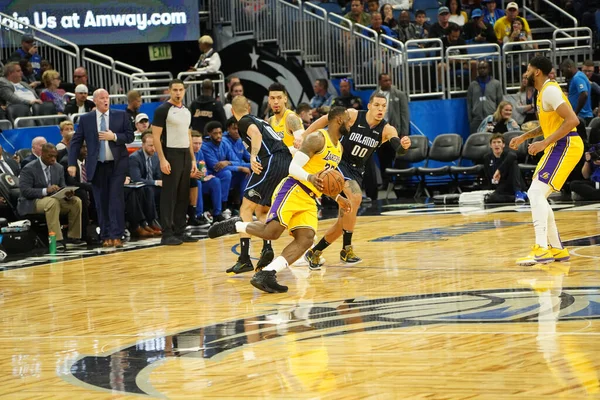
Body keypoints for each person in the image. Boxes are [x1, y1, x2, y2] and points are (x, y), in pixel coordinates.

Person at [208, 107, 352, 293]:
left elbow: (324, 182)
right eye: (348, 120)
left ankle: (267, 273)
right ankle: (237, 225)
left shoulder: (338, 148)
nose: (350, 123)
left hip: (310, 198)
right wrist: (310, 178)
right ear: (339, 120)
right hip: (293, 189)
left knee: (307, 239)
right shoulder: (317, 139)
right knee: (272, 232)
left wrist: (338, 198)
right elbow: (293, 168)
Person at [302, 92, 411, 268]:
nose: (380, 109)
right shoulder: (353, 115)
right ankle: (347, 249)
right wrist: (305, 134)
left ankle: (315, 252)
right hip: (338, 162)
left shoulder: (386, 129)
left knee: (343, 220)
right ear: (369, 105)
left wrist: (404, 146)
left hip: (357, 171)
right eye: (377, 105)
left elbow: (398, 147)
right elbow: (326, 118)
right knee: (356, 197)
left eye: (384, 106)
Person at [509, 55, 584, 266]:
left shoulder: (550, 90)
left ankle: (542, 249)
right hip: (558, 145)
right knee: (537, 194)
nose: (525, 73)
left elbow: (572, 120)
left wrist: (543, 143)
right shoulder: (543, 93)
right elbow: (550, 125)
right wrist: (524, 136)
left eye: (528, 69)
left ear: (537, 72)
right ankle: (557, 249)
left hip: (566, 145)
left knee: (535, 193)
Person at [224, 96, 294, 274]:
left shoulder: (244, 122)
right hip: (284, 161)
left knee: (245, 208)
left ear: (233, 112)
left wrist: (253, 156)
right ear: (248, 107)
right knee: (261, 210)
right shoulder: (260, 119)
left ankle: (245, 258)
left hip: (272, 161)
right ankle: (266, 249)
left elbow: (255, 134)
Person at [68, 88, 134, 249]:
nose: (106, 101)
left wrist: (115, 137)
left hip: (117, 165)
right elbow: (76, 141)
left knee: (115, 200)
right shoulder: (86, 119)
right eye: (102, 98)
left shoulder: (121, 115)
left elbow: (130, 136)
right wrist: (71, 163)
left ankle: (117, 235)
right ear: (95, 101)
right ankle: (105, 235)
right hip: (97, 165)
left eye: (107, 98)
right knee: (101, 202)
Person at [152, 79, 199, 245]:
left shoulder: (186, 111)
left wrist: (193, 159)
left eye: (181, 90)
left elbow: (188, 135)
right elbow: (155, 137)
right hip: (170, 153)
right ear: (170, 91)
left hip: (185, 154)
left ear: (184, 91)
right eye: (175, 90)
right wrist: (162, 159)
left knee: (183, 194)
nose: (178, 93)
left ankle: (180, 230)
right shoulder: (163, 110)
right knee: (169, 195)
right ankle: (167, 233)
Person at [18, 144, 86, 250]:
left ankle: (74, 238)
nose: (53, 159)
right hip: (33, 202)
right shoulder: (29, 168)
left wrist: (67, 193)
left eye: (55, 156)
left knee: (76, 201)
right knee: (51, 202)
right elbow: (25, 191)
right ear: (42, 154)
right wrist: (46, 190)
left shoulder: (58, 167)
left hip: (54, 199)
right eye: (50, 156)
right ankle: (56, 239)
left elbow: (63, 186)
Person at [483, 133, 527, 203]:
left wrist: (499, 170)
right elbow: (488, 175)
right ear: (491, 145)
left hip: (513, 184)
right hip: (501, 186)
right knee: (491, 199)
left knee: (513, 162)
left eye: (499, 142)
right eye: (494, 142)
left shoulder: (508, 154)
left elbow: (513, 156)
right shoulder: (487, 157)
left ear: (503, 145)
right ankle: (521, 196)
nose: (496, 144)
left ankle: (518, 192)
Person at [467, 61, 503, 133]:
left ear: (489, 69)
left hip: (491, 118)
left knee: (491, 139)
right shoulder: (472, 85)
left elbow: (500, 102)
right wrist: (471, 119)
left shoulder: (496, 84)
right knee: (476, 140)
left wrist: (498, 117)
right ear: (477, 70)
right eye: (480, 68)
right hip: (476, 119)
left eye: (484, 68)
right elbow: (469, 104)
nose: (482, 70)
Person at [560, 59, 593, 125]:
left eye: (563, 71)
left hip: (583, 117)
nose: (563, 74)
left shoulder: (577, 77)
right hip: (581, 117)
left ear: (569, 67)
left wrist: (575, 113)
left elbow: (584, 94)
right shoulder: (576, 77)